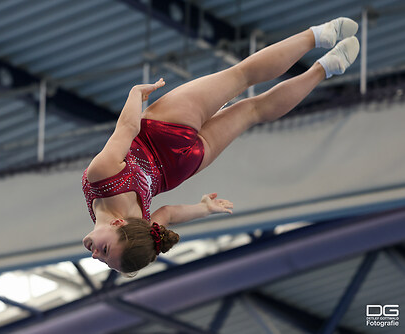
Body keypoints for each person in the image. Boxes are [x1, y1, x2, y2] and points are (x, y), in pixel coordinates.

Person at [82, 17, 360, 274]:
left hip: (181, 167)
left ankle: (326, 68)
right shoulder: (100, 176)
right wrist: (135, 94)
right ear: (118, 225)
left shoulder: (143, 229)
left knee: (254, 111)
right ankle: (319, 36)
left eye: (104, 256)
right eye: (105, 254)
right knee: (242, 75)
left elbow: (167, 214)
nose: (96, 256)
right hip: (162, 130)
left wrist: (202, 209)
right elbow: (128, 128)